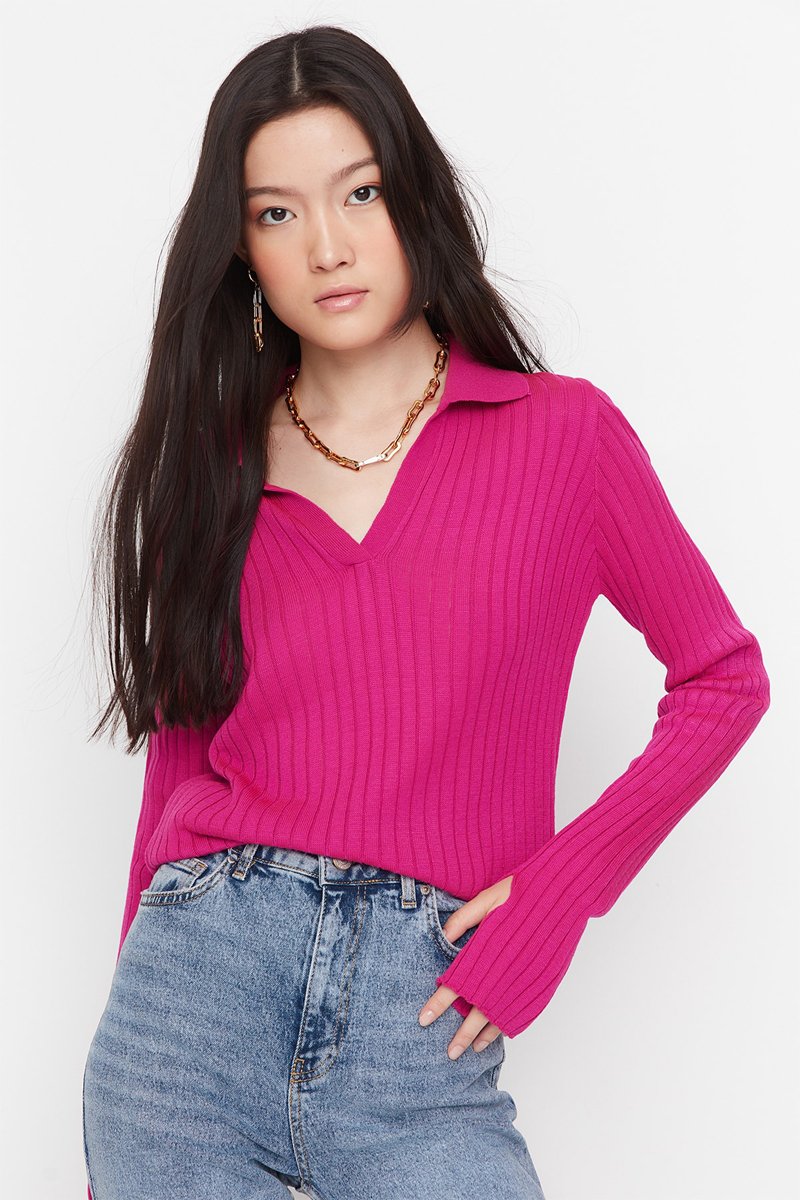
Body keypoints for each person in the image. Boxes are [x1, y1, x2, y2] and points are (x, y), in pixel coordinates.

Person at [80, 24, 770, 1200]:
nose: (328, 246)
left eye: (359, 192)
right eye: (277, 213)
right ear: (241, 248)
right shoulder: (212, 468)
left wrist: (558, 895)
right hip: (186, 1025)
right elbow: (176, 774)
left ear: (414, 196)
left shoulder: (563, 437)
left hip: (420, 1035)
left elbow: (721, 679)